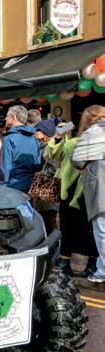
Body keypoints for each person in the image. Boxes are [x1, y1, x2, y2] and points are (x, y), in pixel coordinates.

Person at [48, 121, 98, 277]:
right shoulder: (72, 143)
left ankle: (93, 263)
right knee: (68, 228)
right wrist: (58, 136)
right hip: (69, 192)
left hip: (90, 192)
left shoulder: (99, 146)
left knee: (90, 229)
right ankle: (65, 261)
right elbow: (54, 154)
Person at [72, 105, 105, 283]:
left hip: (100, 186)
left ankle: (103, 271)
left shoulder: (91, 133)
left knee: (102, 230)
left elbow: (77, 161)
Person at [0, 105, 41, 193]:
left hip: (13, 188)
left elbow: (5, 168)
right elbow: (37, 165)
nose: (5, 118)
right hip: (31, 187)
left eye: (7, 116)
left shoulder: (9, 139)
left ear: (13, 118)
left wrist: (2, 189)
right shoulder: (34, 139)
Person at [33, 119, 59, 232]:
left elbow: (53, 168)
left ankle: (56, 242)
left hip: (47, 188)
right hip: (42, 187)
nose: (36, 132)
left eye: (38, 130)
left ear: (46, 133)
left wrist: (38, 175)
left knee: (49, 221)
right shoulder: (42, 146)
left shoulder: (50, 147)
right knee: (44, 221)